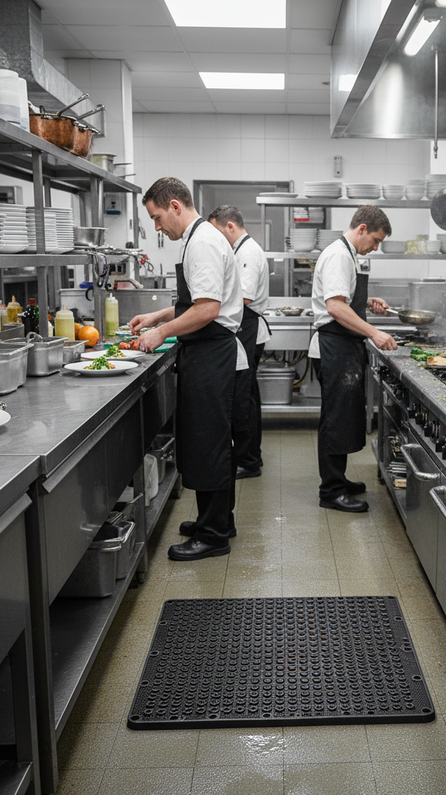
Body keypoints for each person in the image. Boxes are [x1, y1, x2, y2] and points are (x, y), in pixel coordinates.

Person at [130, 177, 248, 561]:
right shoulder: (199, 238)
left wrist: (161, 332)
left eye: (157, 217)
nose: (157, 227)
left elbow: (208, 309)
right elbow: (197, 300)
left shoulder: (203, 242)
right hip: (206, 351)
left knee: (208, 442)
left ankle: (213, 536)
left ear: (175, 206)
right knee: (208, 440)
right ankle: (217, 521)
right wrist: (157, 316)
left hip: (212, 352)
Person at [309, 205, 397, 513]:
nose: (376, 247)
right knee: (335, 420)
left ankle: (339, 479)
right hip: (334, 347)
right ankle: (331, 491)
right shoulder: (338, 255)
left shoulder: (348, 254)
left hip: (344, 346)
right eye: (375, 240)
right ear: (361, 229)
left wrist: (367, 301)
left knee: (343, 418)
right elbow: (335, 307)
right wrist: (374, 333)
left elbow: (342, 297)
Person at [208, 204, 270, 479]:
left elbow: (243, 297)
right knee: (246, 397)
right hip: (244, 328)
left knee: (242, 398)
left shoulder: (248, 252)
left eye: (217, 232)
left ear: (230, 226)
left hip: (247, 328)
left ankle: (248, 461)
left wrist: (208, 305)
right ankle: (251, 455)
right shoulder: (240, 250)